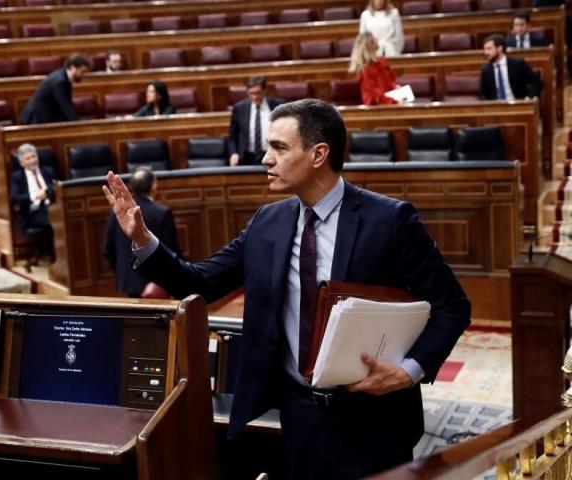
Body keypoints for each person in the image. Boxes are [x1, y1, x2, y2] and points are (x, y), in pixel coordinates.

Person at [103, 98, 471, 479]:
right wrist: (143, 238)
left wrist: (408, 371)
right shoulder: (268, 222)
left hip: (373, 420)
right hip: (298, 417)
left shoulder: (389, 221)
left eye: (279, 148)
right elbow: (200, 282)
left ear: (318, 154)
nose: (266, 159)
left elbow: (453, 305)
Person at [103, 167, 182, 298]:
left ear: (131, 187)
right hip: (158, 282)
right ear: (154, 186)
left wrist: (123, 271)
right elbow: (171, 249)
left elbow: (108, 249)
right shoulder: (162, 212)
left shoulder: (117, 213)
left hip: (129, 280)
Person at [9, 143, 57, 259]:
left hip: (52, 207)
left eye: (34, 157)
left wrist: (50, 191)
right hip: (32, 213)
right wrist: (35, 196)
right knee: (54, 222)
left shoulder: (49, 171)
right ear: (22, 163)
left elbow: (58, 187)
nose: (32, 161)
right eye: (28, 158)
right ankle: (55, 256)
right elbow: (14, 198)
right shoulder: (17, 177)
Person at [228, 76, 284, 166]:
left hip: (272, 155)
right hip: (247, 158)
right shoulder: (239, 108)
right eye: (251, 93)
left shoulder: (278, 106)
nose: (254, 97)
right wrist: (233, 153)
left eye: (258, 93)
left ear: (265, 90)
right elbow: (232, 136)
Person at [20, 53, 90, 124]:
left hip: (45, 116)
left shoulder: (64, 76)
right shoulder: (60, 81)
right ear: (73, 67)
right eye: (82, 72)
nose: (83, 75)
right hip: (36, 118)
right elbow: (65, 106)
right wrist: (79, 125)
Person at [480, 34, 543, 100]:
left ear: (500, 48)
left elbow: (536, 83)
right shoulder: (486, 69)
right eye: (485, 49)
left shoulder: (517, 64)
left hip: (519, 102)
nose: (486, 52)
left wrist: (529, 96)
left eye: (489, 49)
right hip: (497, 105)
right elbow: (484, 94)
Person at [349, 32, 400, 106]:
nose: (377, 39)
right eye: (374, 38)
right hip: (376, 106)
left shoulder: (382, 61)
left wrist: (396, 88)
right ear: (370, 44)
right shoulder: (364, 70)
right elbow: (374, 93)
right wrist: (394, 102)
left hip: (391, 100)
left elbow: (392, 80)